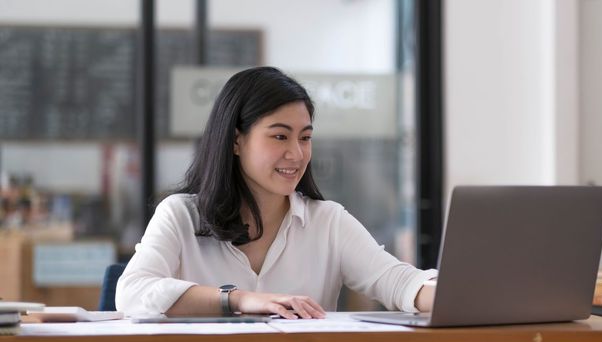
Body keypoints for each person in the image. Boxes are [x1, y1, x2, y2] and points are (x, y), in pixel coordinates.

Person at [115, 67, 437, 319]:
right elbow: (133, 292)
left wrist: (451, 296)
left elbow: (398, 282)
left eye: (305, 138)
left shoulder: (328, 222)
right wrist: (241, 299)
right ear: (236, 141)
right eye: (280, 137)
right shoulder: (180, 215)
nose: (297, 154)